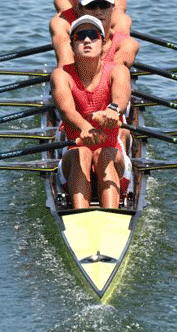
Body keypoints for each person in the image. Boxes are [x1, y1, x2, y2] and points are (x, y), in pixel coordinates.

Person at [51, 15, 131, 209]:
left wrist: (113, 109)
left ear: (103, 43)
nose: (87, 40)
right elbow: (66, 110)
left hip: (113, 155)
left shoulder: (118, 71)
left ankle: (111, 215)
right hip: (74, 154)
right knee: (83, 152)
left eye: (93, 35)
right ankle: (80, 215)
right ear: (72, 45)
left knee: (104, 155)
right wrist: (85, 127)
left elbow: (120, 98)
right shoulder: (61, 75)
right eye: (80, 36)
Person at [49, 0, 138, 69]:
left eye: (104, 5)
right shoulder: (67, 41)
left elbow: (115, 73)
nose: (98, 12)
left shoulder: (128, 44)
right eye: (91, 6)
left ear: (113, 8)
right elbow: (65, 68)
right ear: (79, 9)